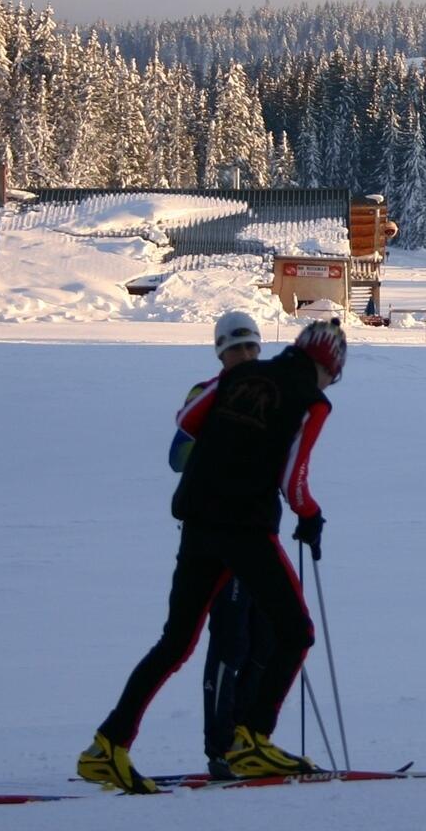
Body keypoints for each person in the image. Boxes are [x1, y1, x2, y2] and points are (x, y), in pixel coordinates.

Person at [79, 320, 345, 793]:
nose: (330, 383)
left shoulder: (237, 376)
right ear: (328, 367)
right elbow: (294, 477)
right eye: (334, 376)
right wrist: (310, 516)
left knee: (176, 643)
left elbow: (187, 421)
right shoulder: (312, 400)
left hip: (198, 522)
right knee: (296, 631)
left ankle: (107, 747)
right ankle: (252, 739)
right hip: (246, 528)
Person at [168, 312, 268, 780]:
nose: (246, 356)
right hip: (215, 537)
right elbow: (177, 456)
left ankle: (250, 741)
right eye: (236, 348)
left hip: (257, 537)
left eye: (252, 348)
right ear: (221, 353)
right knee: (230, 642)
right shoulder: (205, 394)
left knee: (265, 640)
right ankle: (221, 747)